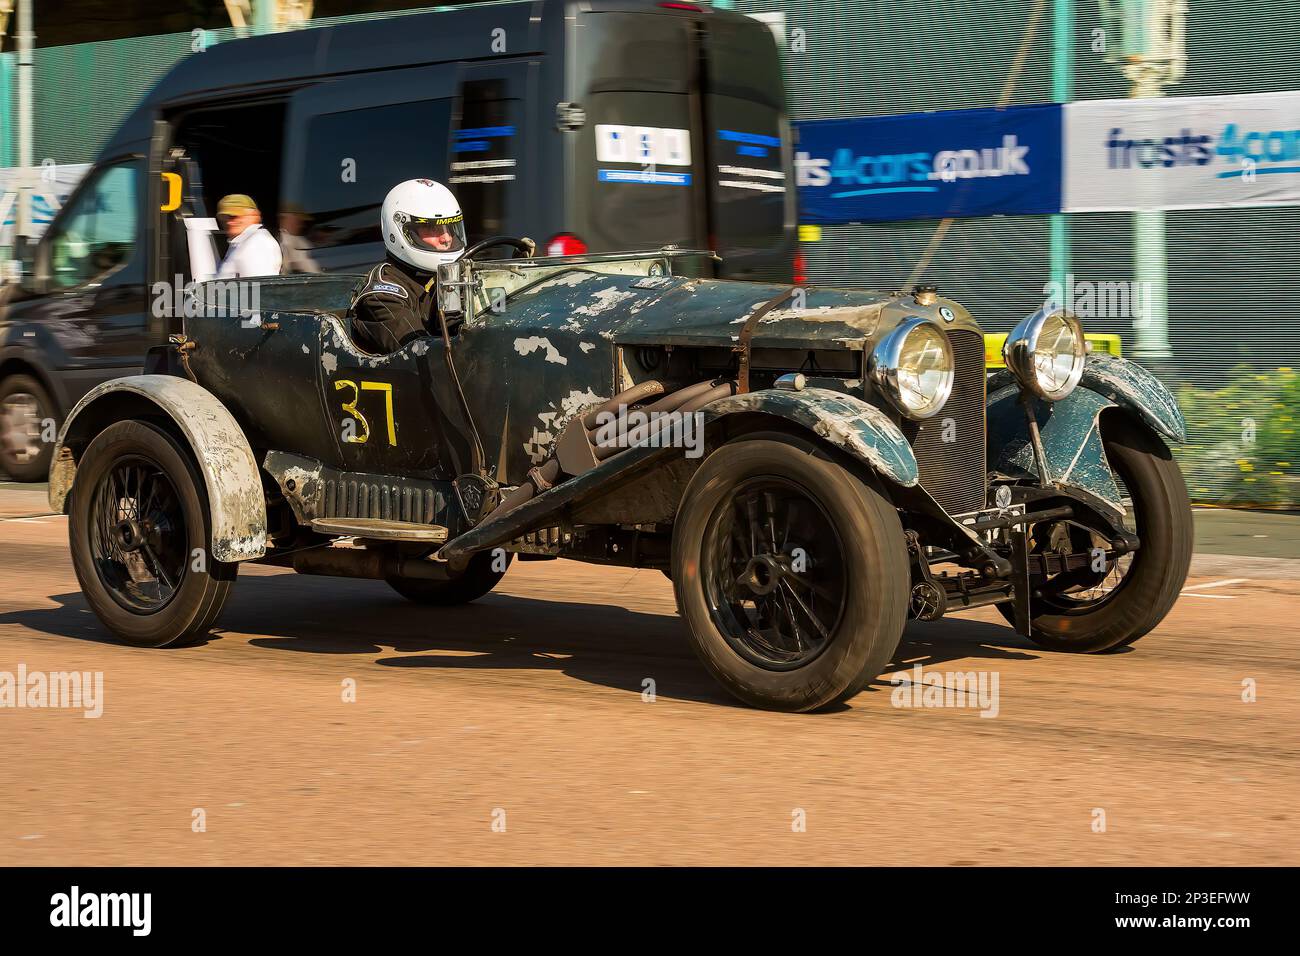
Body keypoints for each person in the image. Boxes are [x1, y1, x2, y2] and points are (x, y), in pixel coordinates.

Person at [348, 178, 467, 355]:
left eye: (450, 227)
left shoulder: (451, 276)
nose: (447, 238)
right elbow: (420, 354)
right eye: (432, 228)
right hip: (407, 379)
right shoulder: (381, 296)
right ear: (402, 231)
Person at [214, 193, 282, 279]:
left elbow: (258, 289)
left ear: (254, 215)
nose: (229, 222)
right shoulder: (242, 241)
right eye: (225, 218)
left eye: (234, 216)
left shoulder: (258, 243)